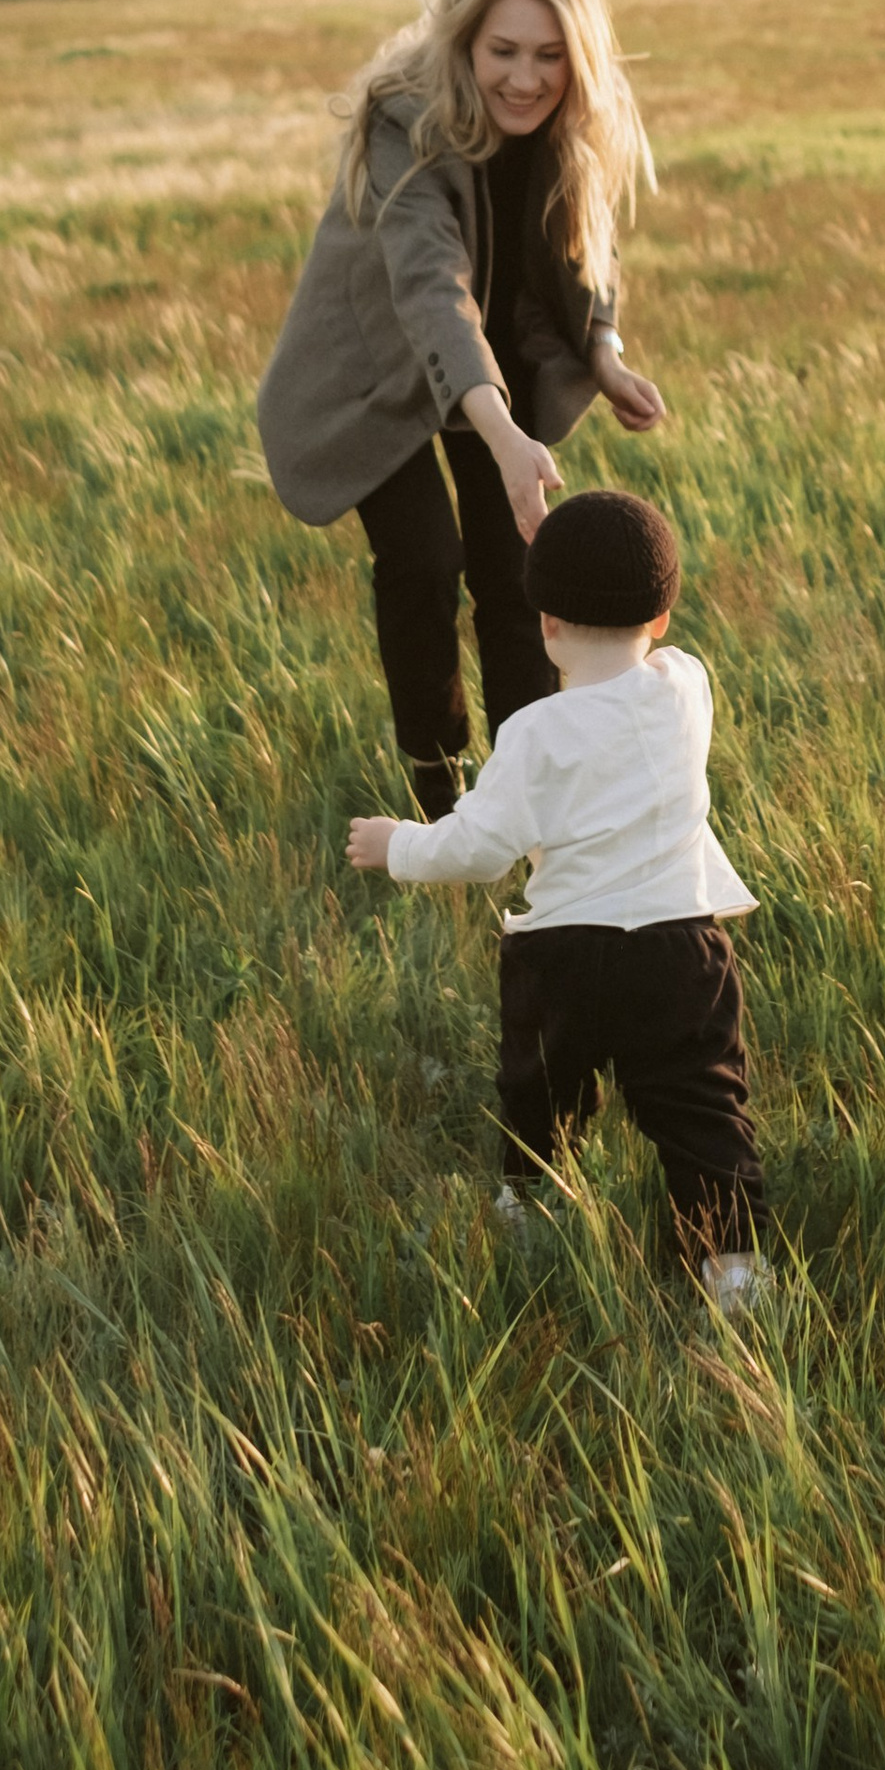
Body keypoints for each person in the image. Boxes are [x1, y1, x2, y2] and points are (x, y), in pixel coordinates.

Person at [255, 0, 667, 816]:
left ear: (578, 59)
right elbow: (432, 288)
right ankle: (438, 792)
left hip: (497, 361)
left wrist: (606, 353)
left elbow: (589, 247)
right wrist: (506, 436)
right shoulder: (405, 121)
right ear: (464, 46)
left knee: (519, 575)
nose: (526, 78)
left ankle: (525, 792)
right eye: (503, 53)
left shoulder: (568, 125)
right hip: (378, 375)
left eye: (550, 55)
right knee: (424, 561)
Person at [346, 489, 769, 1304]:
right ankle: (735, 1270)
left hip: (566, 954)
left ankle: (532, 1201)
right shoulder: (687, 686)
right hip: (682, 949)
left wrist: (396, 843)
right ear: (664, 619)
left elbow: (477, 848)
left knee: (541, 1087)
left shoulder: (533, 734)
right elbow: (634, 620)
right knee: (702, 1106)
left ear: (544, 625)